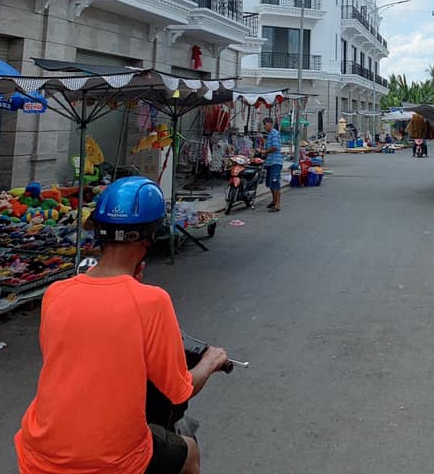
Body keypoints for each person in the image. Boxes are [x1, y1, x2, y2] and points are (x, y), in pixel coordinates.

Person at [15, 176, 228, 474]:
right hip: (112, 460)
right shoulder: (152, 301)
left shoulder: (55, 293)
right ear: (149, 239)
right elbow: (179, 391)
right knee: (189, 453)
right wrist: (211, 361)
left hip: (36, 451)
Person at [262, 116, 283, 213]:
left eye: (265, 124)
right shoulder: (269, 134)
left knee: (275, 182)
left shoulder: (274, 133)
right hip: (270, 162)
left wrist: (265, 152)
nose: (264, 127)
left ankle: (277, 205)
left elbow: (275, 147)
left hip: (276, 162)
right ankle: (274, 201)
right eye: (264, 125)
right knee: (270, 183)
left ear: (270, 124)